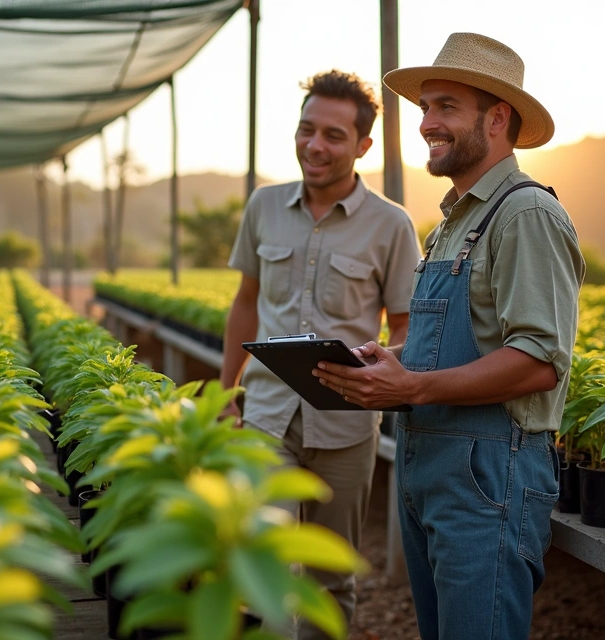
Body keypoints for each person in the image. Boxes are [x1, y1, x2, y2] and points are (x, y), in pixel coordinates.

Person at [311, 33, 586, 639]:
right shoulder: (456, 219)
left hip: (490, 470)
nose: (426, 123)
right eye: (425, 108)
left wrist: (412, 384)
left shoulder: (525, 214)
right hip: (433, 462)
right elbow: (468, 341)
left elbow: (540, 361)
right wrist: (391, 360)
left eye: (445, 108)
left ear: (497, 118)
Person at [220, 69, 420, 639]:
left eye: (334, 135)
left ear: (362, 146)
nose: (315, 145)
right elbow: (245, 302)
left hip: (347, 428)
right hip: (265, 417)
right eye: (307, 130)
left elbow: (406, 327)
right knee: (269, 564)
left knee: (333, 579)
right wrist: (223, 392)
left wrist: (379, 363)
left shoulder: (391, 224)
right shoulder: (263, 207)